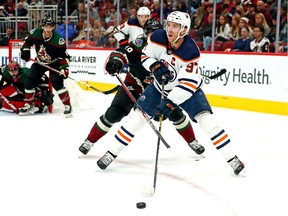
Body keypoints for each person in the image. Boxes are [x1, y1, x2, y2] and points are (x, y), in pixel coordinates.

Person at [96, 11, 245, 176]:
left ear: (184, 30)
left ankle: (232, 158)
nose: (170, 29)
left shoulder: (190, 51)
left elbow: (188, 84)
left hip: (189, 91)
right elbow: (145, 56)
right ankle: (111, 153)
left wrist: (170, 102)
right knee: (137, 118)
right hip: (159, 87)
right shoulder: (158, 37)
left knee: (207, 121)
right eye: (169, 25)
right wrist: (153, 66)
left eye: (175, 26)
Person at [78, 15, 205, 156]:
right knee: (114, 113)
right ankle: (90, 140)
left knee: (175, 114)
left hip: (158, 90)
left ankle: (192, 140)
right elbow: (122, 51)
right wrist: (116, 60)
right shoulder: (140, 44)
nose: (153, 38)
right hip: (134, 86)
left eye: (155, 33)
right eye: (149, 33)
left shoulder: (169, 46)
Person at [19, 16, 72, 117]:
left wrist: (64, 68)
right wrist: (25, 50)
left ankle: (67, 105)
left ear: (53, 28)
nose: (48, 29)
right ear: (42, 26)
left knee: (57, 83)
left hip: (54, 63)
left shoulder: (58, 40)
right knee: (29, 81)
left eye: (50, 27)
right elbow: (26, 42)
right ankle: (31, 104)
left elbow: (64, 57)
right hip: (40, 62)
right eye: (46, 27)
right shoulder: (36, 33)